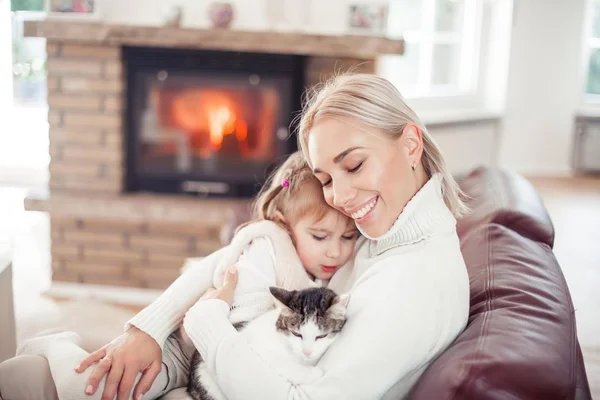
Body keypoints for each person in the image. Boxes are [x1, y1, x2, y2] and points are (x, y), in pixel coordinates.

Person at [1, 72, 471, 399]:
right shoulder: (386, 232)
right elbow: (233, 256)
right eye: (327, 179)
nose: (340, 197)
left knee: (64, 381)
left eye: (353, 164)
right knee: (80, 369)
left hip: (220, 359)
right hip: (220, 354)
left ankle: (58, 353)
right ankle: (62, 349)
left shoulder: (415, 279)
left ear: (411, 144)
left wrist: (207, 320)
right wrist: (147, 325)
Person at [0, 152, 359, 400]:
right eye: (320, 236)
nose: (335, 251)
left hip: (213, 367)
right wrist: (149, 331)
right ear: (285, 223)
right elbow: (198, 280)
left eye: (347, 238)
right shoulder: (266, 242)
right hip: (180, 348)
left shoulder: (327, 284)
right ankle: (56, 343)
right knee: (90, 392)